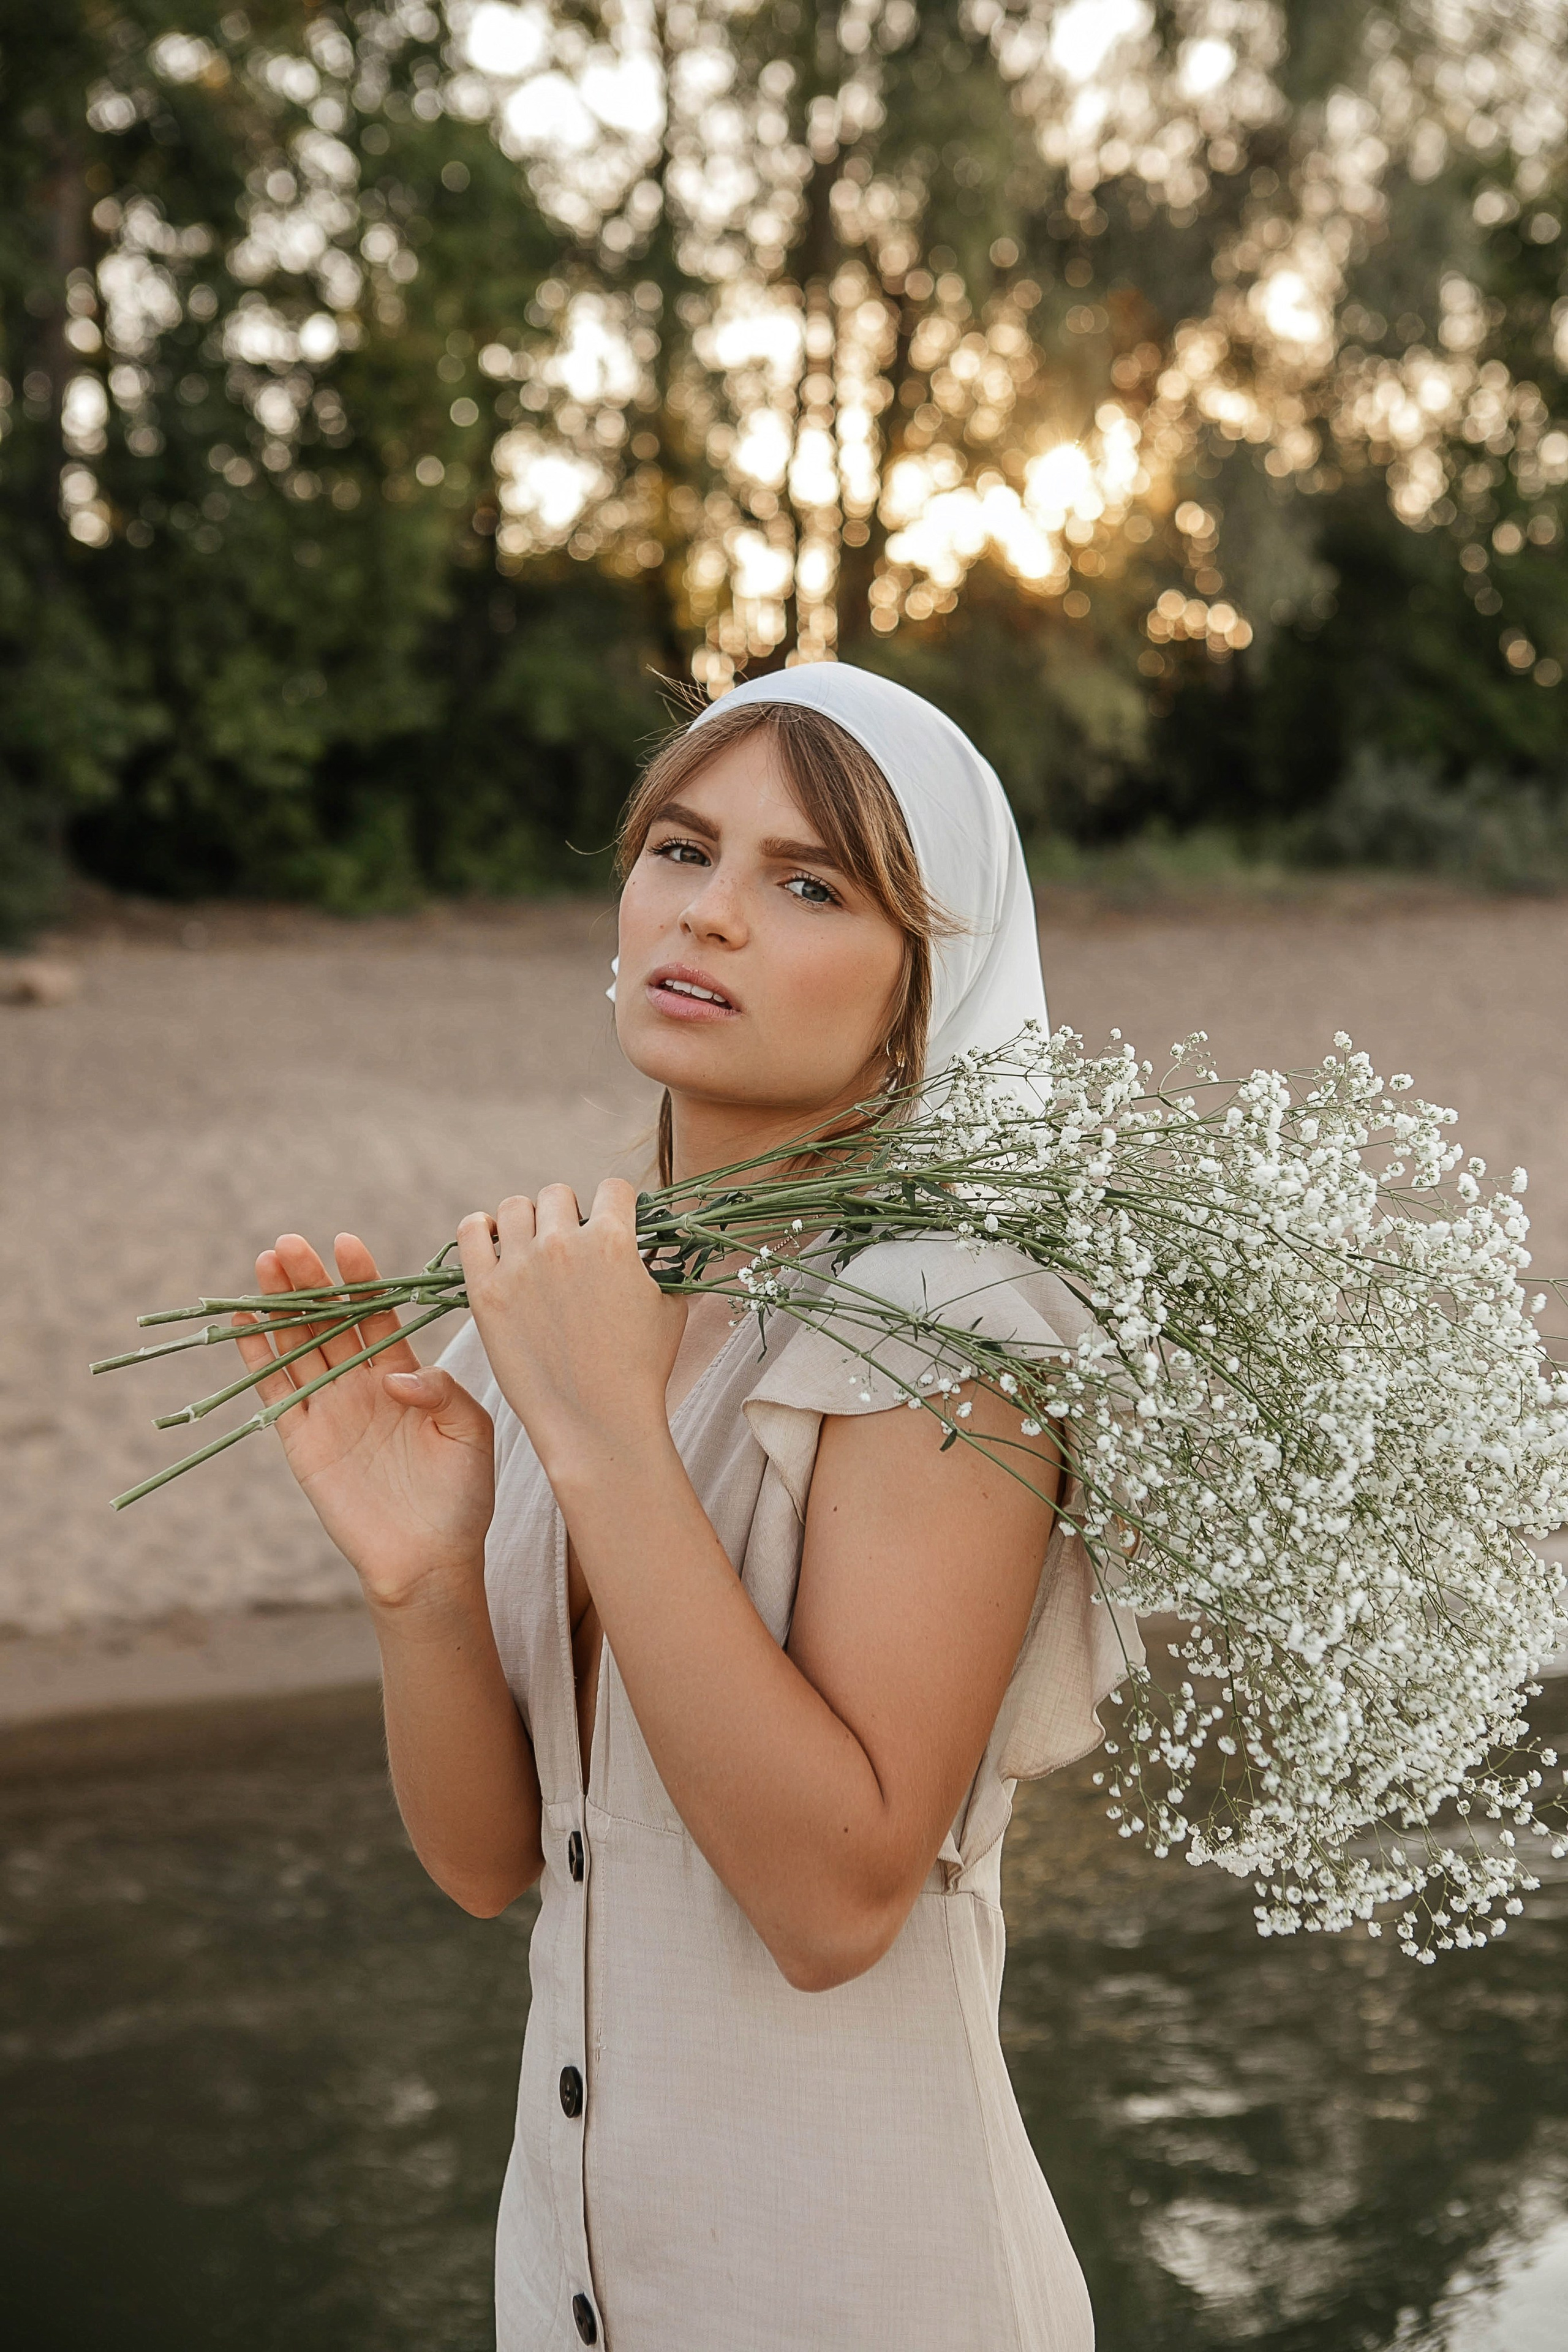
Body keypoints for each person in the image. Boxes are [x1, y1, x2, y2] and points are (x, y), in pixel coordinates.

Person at [233, 665, 1140, 2350]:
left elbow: (834, 1904)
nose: (709, 915)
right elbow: (493, 1860)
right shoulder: (553, 1296)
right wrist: (423, 1581)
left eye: (809, 884)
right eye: (679, 848)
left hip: (858, 2291)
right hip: (568, 2283)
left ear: (918, 990)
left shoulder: (948, 1328)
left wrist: (605, 1444)